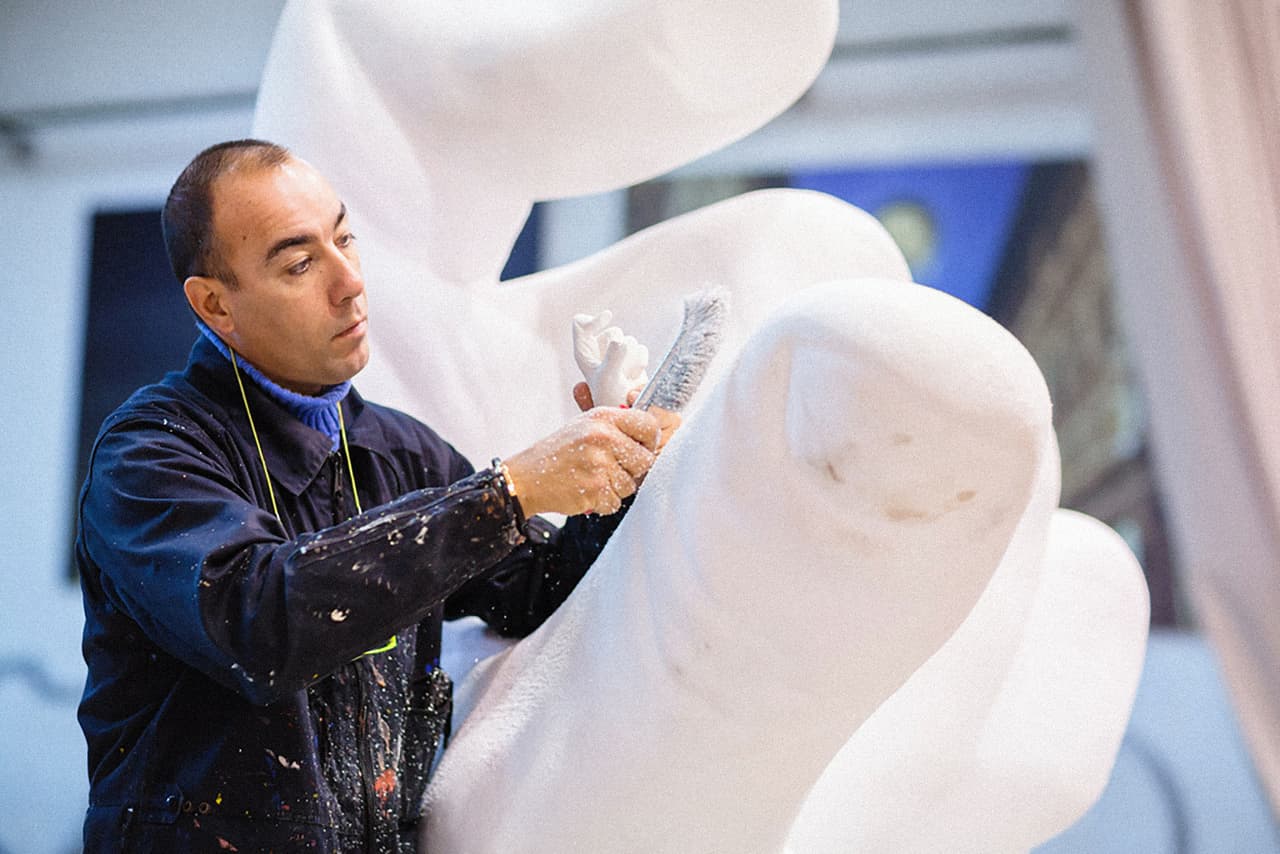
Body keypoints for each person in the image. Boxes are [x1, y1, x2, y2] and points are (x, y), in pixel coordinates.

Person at [75, 139, 678, 852]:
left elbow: (536, 590)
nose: (350, 282)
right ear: (215, 305)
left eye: (345, 239)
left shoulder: (397, 453)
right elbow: (260, 618)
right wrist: (506, 495)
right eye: (300, 263)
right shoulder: (151, 454)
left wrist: (620, 468)